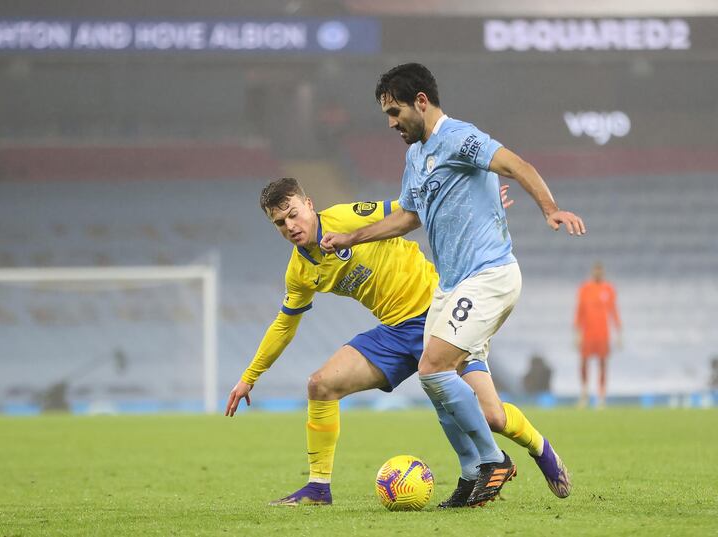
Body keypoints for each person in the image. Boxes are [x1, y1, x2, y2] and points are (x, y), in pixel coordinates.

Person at [321, 63, 584, 506]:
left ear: (421, 101)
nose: (390, 123)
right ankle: (489, 470)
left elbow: (515, 164)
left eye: (394, 111)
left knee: (432, 369)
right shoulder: (415, 157)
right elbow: (407, 217)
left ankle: (491, 461)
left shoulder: (459, 137)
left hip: (489, 276)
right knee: (480, 406)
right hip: (451, 288)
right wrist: (351, 237)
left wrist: (549, 209)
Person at [226, 177, 570, 509]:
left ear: (309, 205)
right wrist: (249, 377)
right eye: (280, 223)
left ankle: (540, 449)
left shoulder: (346, 217)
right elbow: (284, 325)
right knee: (320, 384)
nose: (290, 226)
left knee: (492, 417)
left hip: (440, 315)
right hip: (395, 331)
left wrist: (477, 203)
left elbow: (410, 209)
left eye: (293, 213)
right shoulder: (300, 271)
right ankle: (318, 486)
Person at [575, 262, 621, 408]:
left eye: (600, 271)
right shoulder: (585, 288)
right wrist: (577, 333)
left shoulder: (608, 289)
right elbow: (580, 311)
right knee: (583, 362)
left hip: (602, 333)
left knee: (602, 363)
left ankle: (601, 396)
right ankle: (584, 393)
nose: (598, 273)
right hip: (587, 333)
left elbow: (613, 311)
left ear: (603, 272)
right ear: (593, 272)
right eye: (596, 271)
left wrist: (618, 332)